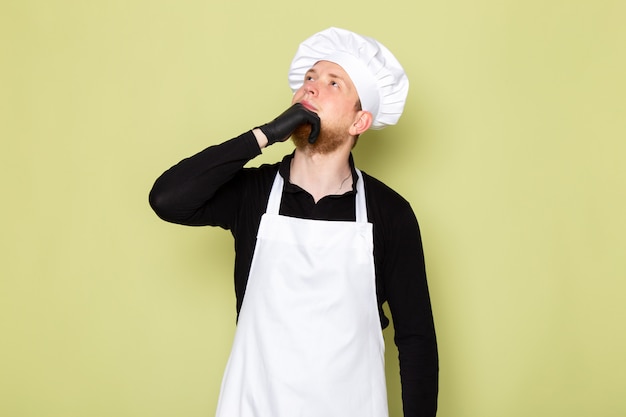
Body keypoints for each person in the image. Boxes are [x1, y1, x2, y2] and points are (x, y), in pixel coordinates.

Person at [149, 27, 438, 417]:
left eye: (334, 83)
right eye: (309, 79)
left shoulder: (390, 213)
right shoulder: (253, 194)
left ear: (360, 122)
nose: (312, 88)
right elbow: (167, 199)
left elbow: (416, 339)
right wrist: (264, 135)